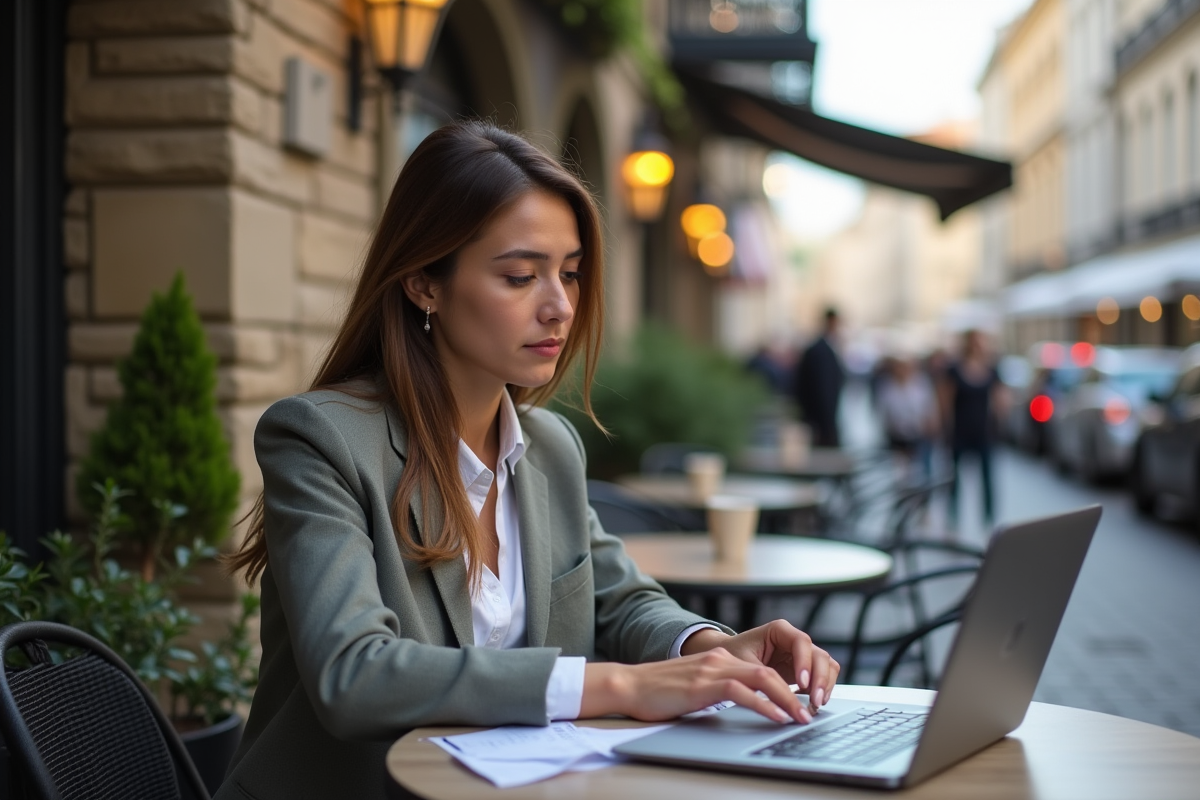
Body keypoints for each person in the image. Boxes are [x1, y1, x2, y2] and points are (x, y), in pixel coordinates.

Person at [219, 121, 839, 800]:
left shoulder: (548, 447)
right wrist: (625, 686)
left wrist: (709, 650)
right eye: (520, 276)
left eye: (570, 274)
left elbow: (619, 600)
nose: (560, 307)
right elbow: (355, 674)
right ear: (425, 282)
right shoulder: (322, 440)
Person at [939, 330, 1006, 530]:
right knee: (954, 478)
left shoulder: (992, 369)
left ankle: (988, 520)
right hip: (960, 430)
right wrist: (945, 426)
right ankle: (952, 517)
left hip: (983, 431)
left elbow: (1000, 398)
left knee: (987, 478)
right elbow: (945, 400)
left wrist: (1000, 417)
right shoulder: (954, 369)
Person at [877, 356, 939, 482]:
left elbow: (930, 408)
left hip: (919, 435)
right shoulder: (887, 387)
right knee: (900, 473)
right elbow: (883, 412)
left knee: (921, 473)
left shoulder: (921, 384)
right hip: (897, 437)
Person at [793, 307, 846, 447]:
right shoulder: (821, 351)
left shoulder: (821, 348)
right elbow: (823, 389)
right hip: (819, 423)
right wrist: (827, 426)